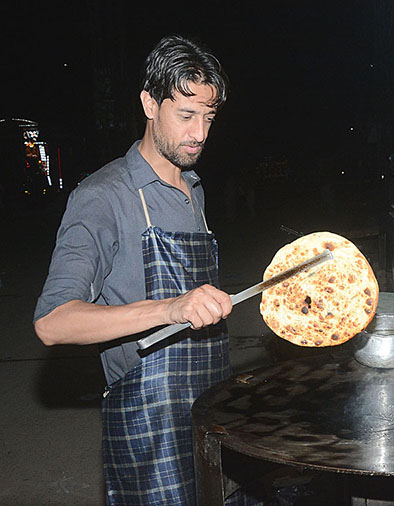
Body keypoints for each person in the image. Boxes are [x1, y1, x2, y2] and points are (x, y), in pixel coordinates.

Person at [34, 35, 239, 505]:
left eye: (208, 117)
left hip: (210, 410)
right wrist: (170, 308)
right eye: (185, 116)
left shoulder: (194, 189)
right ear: (149, 103)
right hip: (147, 425)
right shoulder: (103, 197)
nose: (200, 134)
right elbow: (52, 321)